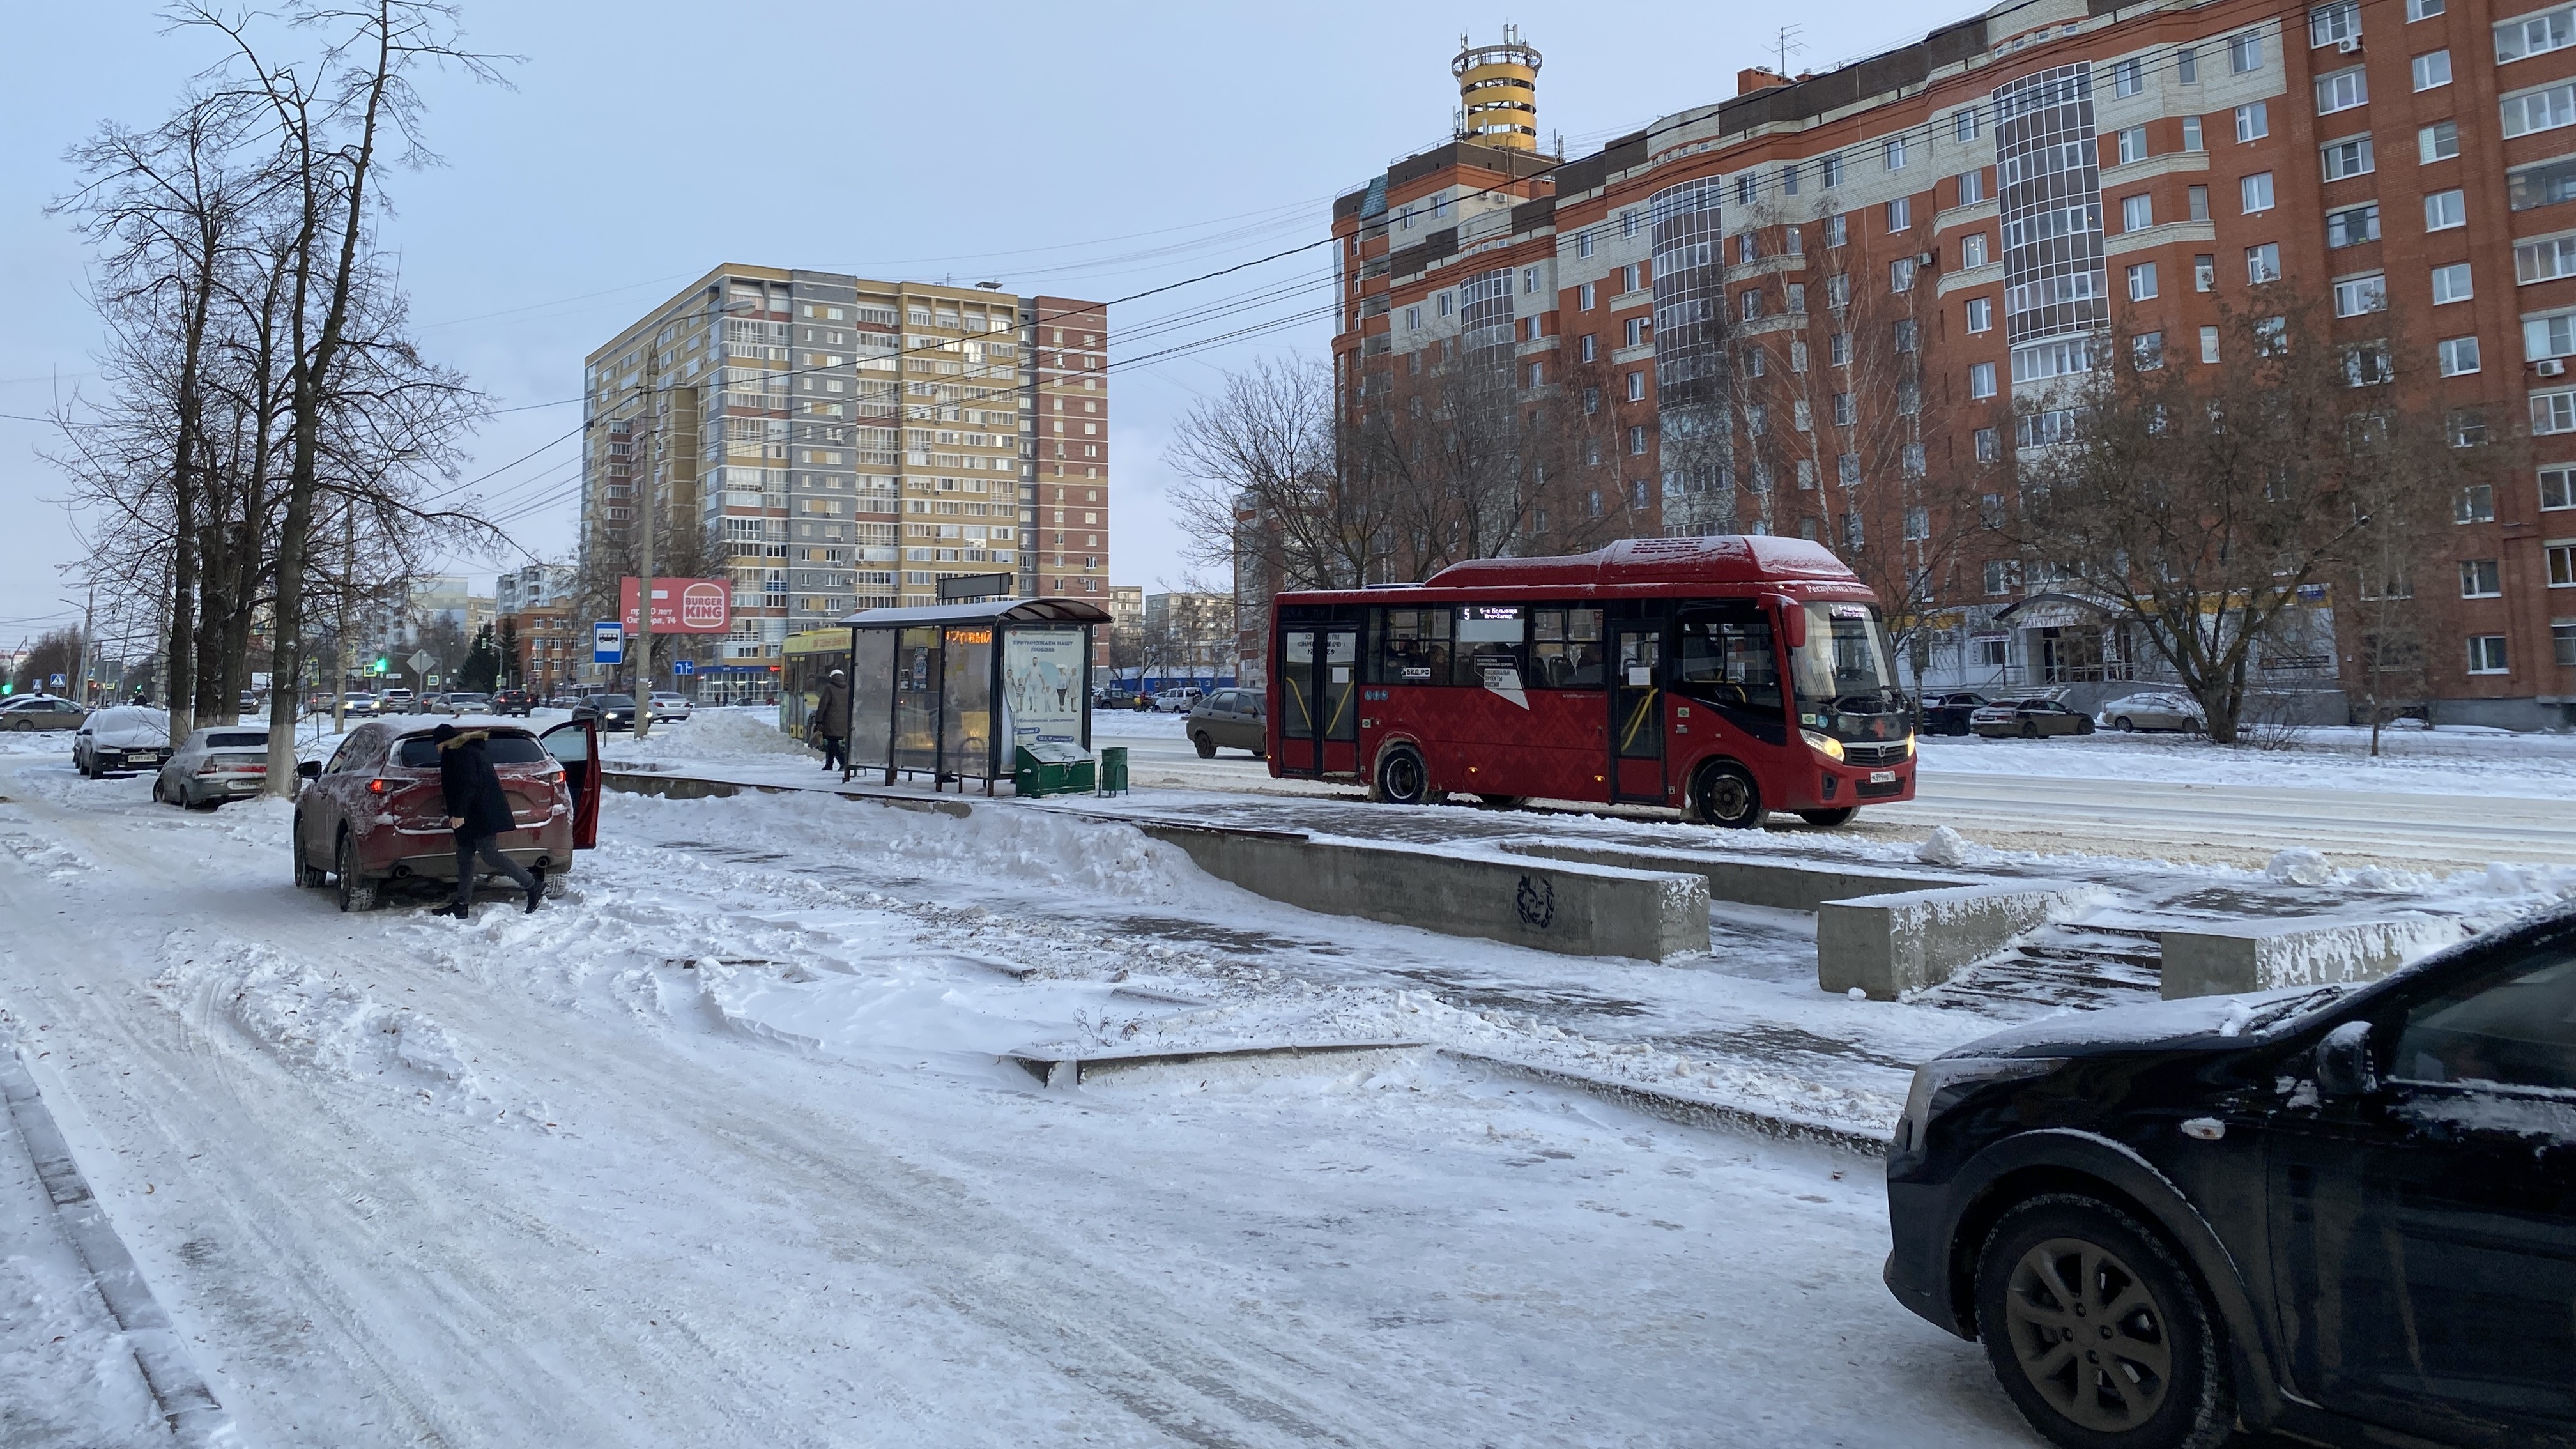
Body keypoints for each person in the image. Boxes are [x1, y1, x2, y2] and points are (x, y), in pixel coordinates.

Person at [431, 721, 540, 919]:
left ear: (445, 741)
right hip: (471, 814)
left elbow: (469, 784)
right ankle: (462, 904)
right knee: (464, 856)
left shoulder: (463, 753)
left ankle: (533, 884)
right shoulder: (459, 751)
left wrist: (460, 814)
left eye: (437, 744)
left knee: (490, 855)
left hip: (480, 814)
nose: (436, 748)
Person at [812, 666, 852, 774]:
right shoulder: (848, 688)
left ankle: (843, 762)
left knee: (832, 742)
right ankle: (829, 764)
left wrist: (818, 720)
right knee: (831, 742)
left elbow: (823, 705)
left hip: (831, 722)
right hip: (844, 722)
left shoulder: (829, 688)